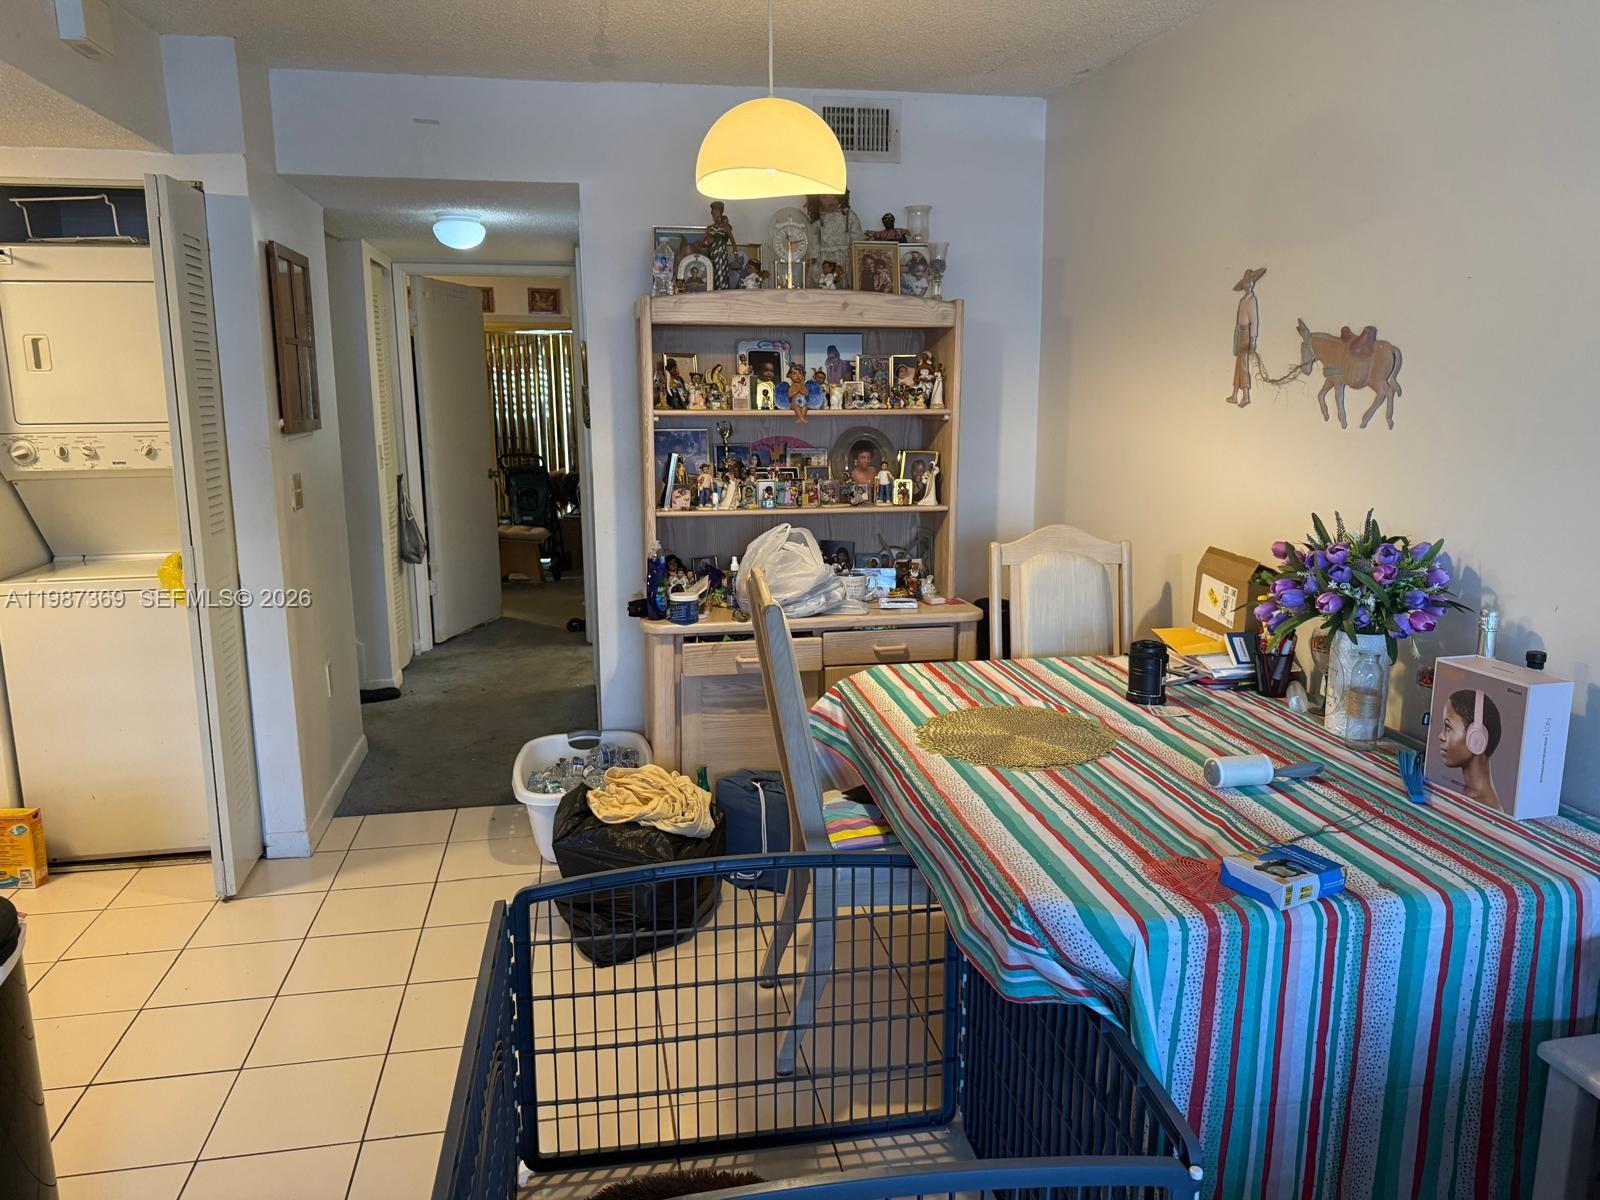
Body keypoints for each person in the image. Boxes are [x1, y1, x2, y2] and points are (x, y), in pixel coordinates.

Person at [1439, 690, 1502, 810]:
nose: (1441, 736)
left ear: (1475, 739)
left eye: (1448, 727)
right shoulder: (1465, 794)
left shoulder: (1484, 809)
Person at [1226, 266, 1265, 408]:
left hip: (1246, 334)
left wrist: (1253, 339)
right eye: (1246, 282)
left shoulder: (1251, 301)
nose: (1249, 285)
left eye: (1250, 282)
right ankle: (1235, 394)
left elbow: (1254, 321)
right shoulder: (1243, 300)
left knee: (1242, 365)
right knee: (1239, 364)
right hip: (1240, 333)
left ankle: (1246, 395)